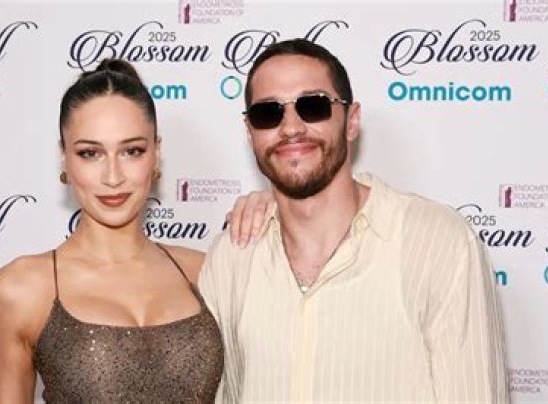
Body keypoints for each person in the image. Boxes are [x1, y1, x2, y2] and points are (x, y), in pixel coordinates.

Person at [200, 38, 509, 403]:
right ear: (250, 132)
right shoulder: (231, 256)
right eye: (268, 113)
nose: (291, 128)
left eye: (313, 106)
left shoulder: (439, 244)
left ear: (352, 121)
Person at [0, 59, 269, 403]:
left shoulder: (205, 271)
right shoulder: (22, 290)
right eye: (90, 153)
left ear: (156, 154)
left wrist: (278, 206)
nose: (113, 176)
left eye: (132, 151)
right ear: (64, 158)